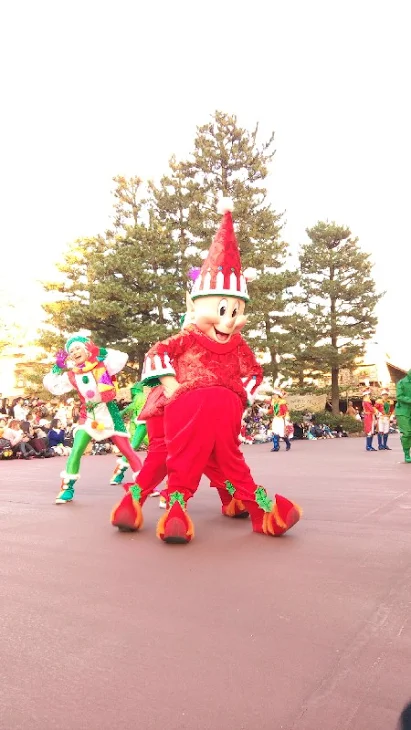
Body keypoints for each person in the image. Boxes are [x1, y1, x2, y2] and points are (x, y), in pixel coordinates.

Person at [119, 198, 302, 543]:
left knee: (202, 458)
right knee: (205, 458)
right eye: (221, 310)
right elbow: (158, 354)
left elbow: (251, 374)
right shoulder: (188, 336)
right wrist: (174, 385)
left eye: (234, 312)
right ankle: (247, 507)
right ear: (195, 305)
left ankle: (143, 503)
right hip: (179, 404)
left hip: (198, 406)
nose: (227, 320)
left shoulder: (225, 341)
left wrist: (235, 394)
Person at [43, 335, 142, 504]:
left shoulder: (104, 366)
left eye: (77, 348)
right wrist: (57, 367)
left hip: (109, 413)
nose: (74, 352)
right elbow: (52, 386)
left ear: (87, 349)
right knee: (76, 450)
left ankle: (144, 484)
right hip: (87, 415)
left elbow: (122, 357)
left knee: (127, 451)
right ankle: (67, 488)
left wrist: (100, 351)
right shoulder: (72, 375)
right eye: (71, 351)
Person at [395, 370, 411, 463]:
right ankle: (406, 454)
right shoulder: (401, 383)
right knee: (407, 433)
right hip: (403, 411)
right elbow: (399, 396)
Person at [362, 387, 378, 452]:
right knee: (369, 431)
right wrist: (375, 411)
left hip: (369, 416)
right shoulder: (366, 401)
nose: (369, 395)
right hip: (369, 416)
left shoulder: (366, 401)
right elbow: (371, 409)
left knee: (371, 432)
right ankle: (368, 446)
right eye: (369, 394)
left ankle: (369, 446)